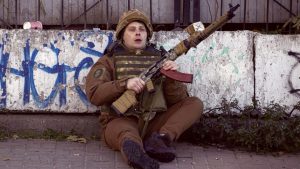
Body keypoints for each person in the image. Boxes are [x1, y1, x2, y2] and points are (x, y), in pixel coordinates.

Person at [85, 9, 203, 169]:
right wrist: (124, 84)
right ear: (122, 35)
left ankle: (161, 139)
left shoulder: (159, 58)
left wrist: (171, 78)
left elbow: (177, 101)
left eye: (142, 30)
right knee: (126, 136)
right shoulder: (109, 61)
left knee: (194, 103)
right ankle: (136, 154)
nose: (138, 33)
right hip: (121, 120)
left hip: (155, 121)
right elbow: (94, 94)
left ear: (148, 34)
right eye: (132, 30)